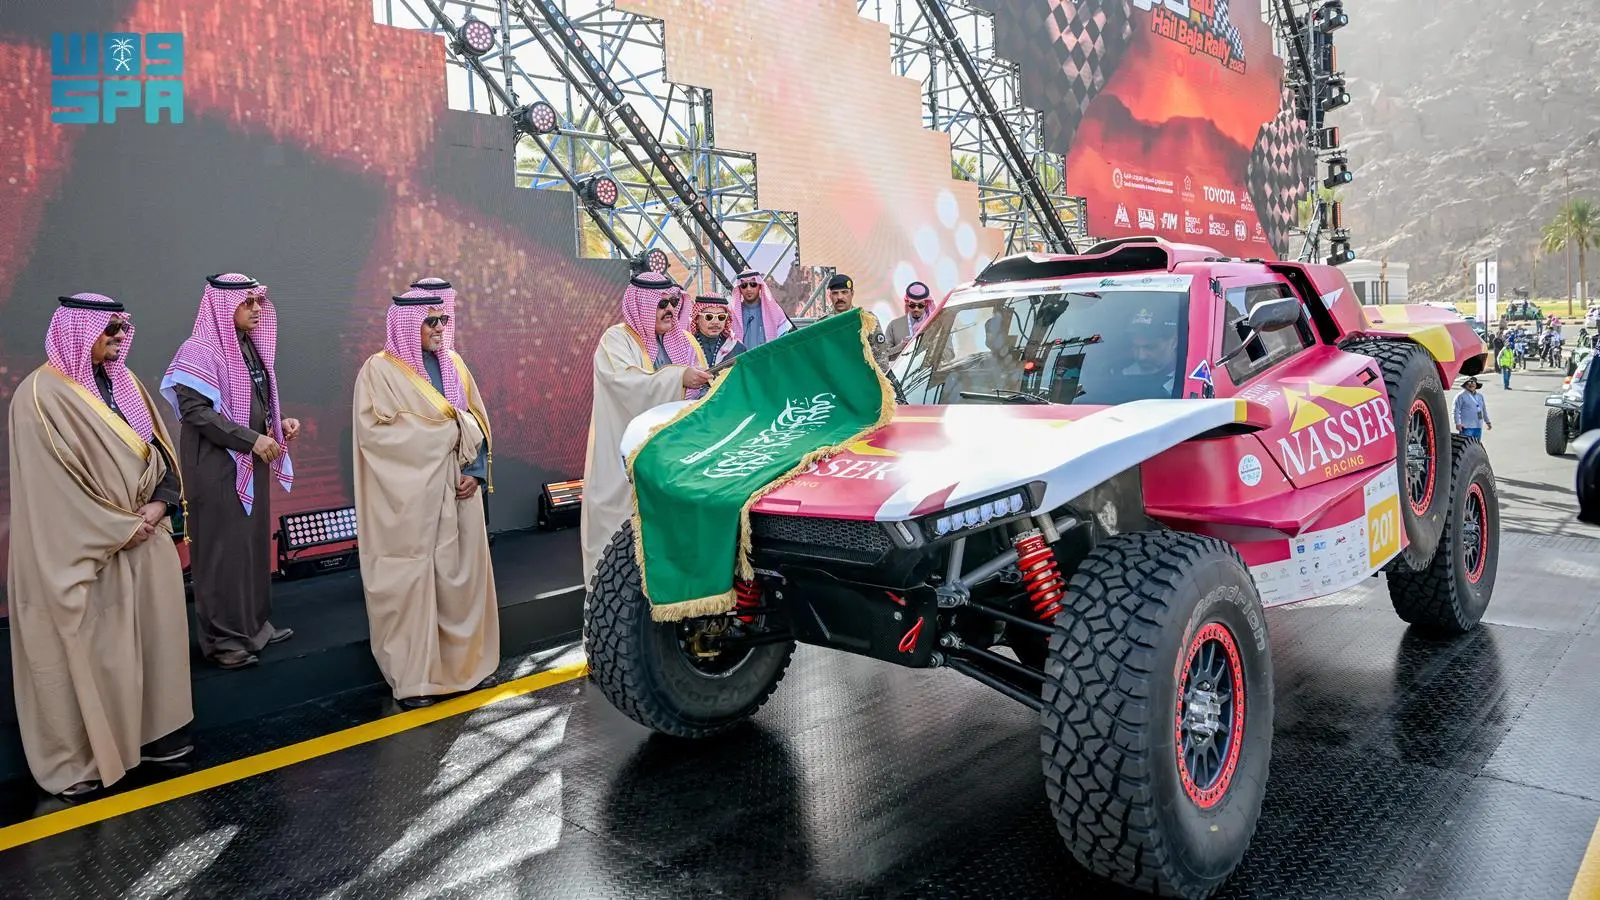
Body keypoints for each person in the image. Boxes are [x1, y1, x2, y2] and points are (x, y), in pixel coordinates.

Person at [9, 293, 194, 798]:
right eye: (108, 329)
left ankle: (154, 737)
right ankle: (85, 758)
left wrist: (159, 506)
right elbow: (52, 491)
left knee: (155, 643)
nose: (118, 337)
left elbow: (159, 451)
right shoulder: (39, 396)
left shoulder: (125, 382)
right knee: (95, 652)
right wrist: (117, 527)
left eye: (121, 328)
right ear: (78, 330)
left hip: (145, 533)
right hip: (85, 549)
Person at [352, 290, 498, 708]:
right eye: (430, 321)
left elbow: (476, 420)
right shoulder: (378, 372)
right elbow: (377, 438)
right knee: (413, 584)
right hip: (410, 500)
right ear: (406, 324)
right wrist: (447, 433)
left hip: (459, 490)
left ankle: (467, 667)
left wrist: (475, 472)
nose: (439, 328)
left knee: (461, 581)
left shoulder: (454, 364)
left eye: (443, 320)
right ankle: (418, 680)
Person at [161, 274, 299, 670]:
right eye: (247, 302)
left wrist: (277, 424)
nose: (257, 309)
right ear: (222, 306)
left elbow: (249, 402)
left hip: (250, 461)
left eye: (259, 302)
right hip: (216, 468)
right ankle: (223, 642)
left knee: (251, 547)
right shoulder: (198, 350)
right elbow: (196, 413)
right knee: (221, 552)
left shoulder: (248, 346)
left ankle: (254, 627)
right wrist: (251, 440)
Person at [580, 272, 710, 584]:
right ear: (642, 305)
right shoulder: (616, 340)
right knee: (624, 550)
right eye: (661, 304)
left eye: (673, 302)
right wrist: (679, 379)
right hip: (628, 460)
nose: (670, 309)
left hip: (679, 459)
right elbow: (628, 386)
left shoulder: (686, 341)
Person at [733, 269, 791, 350]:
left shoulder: (775, 311)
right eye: (744, 285)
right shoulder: (733, 315)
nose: (748, 289)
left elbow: (784, 340)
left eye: (753, 284)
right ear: (739, 289)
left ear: (760, 286)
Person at [691, 294, 745, 367]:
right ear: (697, 318)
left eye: (721, 317)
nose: (716, 322)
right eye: (709, 316)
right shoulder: (687, 346)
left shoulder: (737, 347)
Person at [885, 281, 933, 361]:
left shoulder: (935, 324)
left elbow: (950, 355)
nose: (916, 309)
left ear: (926, 304)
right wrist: (900, 347)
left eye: (920, 305)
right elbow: (883, 356)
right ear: (907, 303)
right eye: (912, 305)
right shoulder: (894, 325)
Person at [410, 276, 457, 350]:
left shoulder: (452, 356)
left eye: (443, 319)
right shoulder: (392, 358)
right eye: (432, 321)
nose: (442, 328)